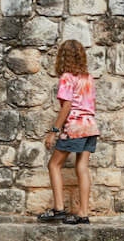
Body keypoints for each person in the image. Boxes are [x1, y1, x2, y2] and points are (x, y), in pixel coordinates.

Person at [37, 39, 99, 224]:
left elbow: (67, 106)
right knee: (82, 167)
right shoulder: (88, 78)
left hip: (75, 126)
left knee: (54, 165)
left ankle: (58, 209)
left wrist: (53, 131)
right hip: (91, 126)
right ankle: (83, 214)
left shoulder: (66, 77)